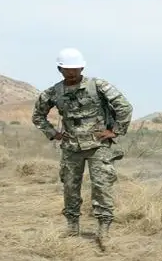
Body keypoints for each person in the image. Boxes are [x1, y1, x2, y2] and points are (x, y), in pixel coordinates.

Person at [31, 48, 133, 250]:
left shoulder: (98, 86)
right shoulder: (54, 92)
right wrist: (54, 134)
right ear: (59, 69)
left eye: (75, 69)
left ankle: (104, 230)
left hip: (98, 146)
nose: (71, 73)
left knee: (101, 187)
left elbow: (124, 107)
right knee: (70, 187)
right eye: (67, 69)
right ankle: (72, 227)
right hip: (71, 147)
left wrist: (115, 131)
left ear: (82, 67)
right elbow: (38, 115)